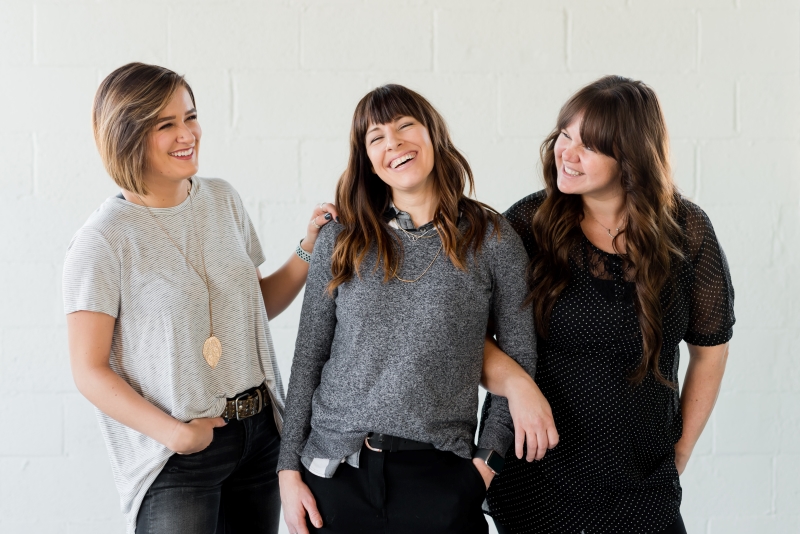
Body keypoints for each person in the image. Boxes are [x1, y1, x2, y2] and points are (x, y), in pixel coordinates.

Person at [62, 62, 337, 534]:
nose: (187, 134)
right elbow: (88, 370)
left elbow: (254, 309)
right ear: (127, 136)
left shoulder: (222, 199)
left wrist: (308, 247)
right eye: (165, 124)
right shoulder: (102, 241)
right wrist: (176, 435)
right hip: (178, 455)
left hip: (259, 437)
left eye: (189, 117)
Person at [277, 84, 558, 534]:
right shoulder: (342, 238)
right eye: (377, 137)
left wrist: (482, 470)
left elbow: (520, 360)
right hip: (333, 477)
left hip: (441, 480)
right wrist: (288, 471)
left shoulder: (493, 239)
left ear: (433, 135)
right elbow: (310, 354)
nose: (394, 143)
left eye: (406, 125)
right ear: (367, 159)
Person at [480, 75, 735, 534]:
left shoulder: (688, 230)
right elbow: (462, 334)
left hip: (643, 480)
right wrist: (518, 385)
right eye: (565, 135)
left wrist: (681, 450)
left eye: (590, 146)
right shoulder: (525, 224)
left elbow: (711, 349)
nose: (567, 153)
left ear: (632, 158)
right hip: (540, 477)